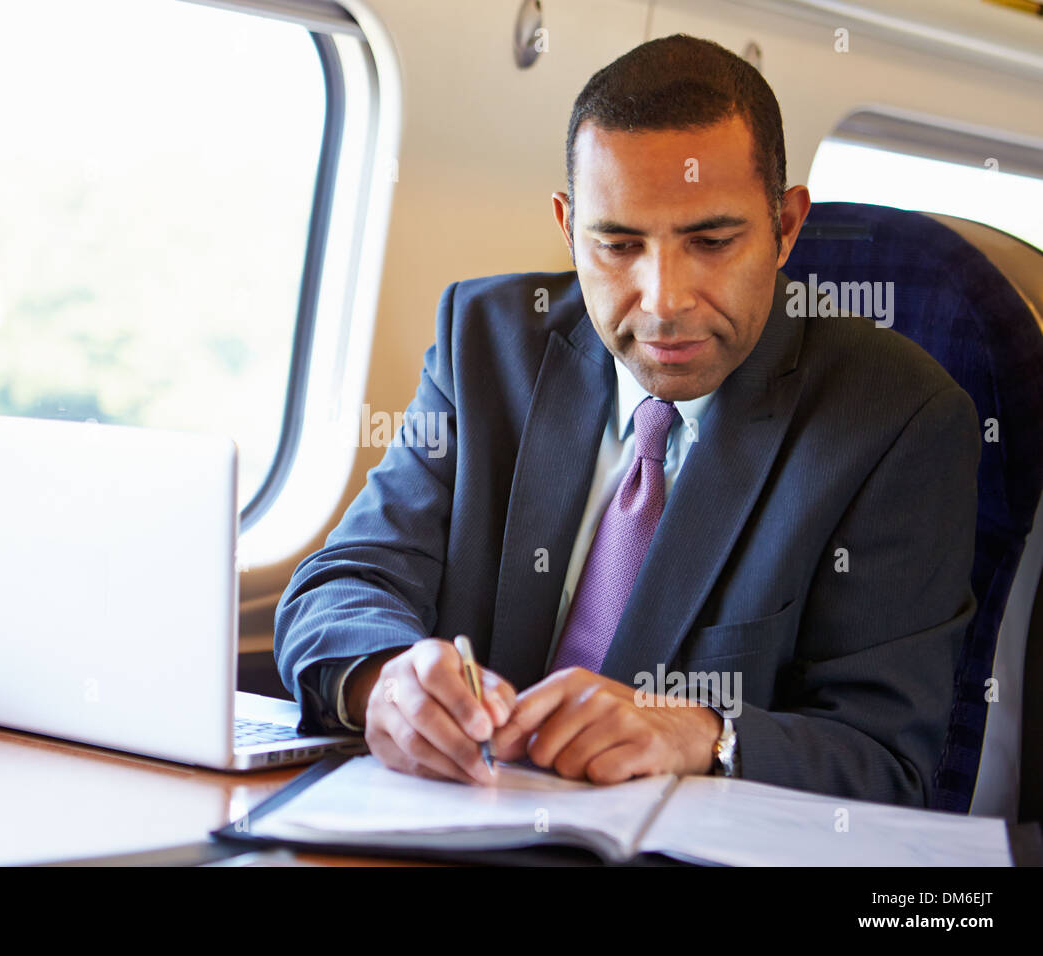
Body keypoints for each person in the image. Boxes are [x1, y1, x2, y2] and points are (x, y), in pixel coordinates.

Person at [273, 34, 979, 807]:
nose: (663, 299)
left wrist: (706, 736)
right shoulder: (487, 342)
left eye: (711, 242)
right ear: (568, 228)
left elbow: (885, 760)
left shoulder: (897, 418)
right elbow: (343, 583)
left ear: (786, 227)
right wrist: (386, 680)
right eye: (617, 244)